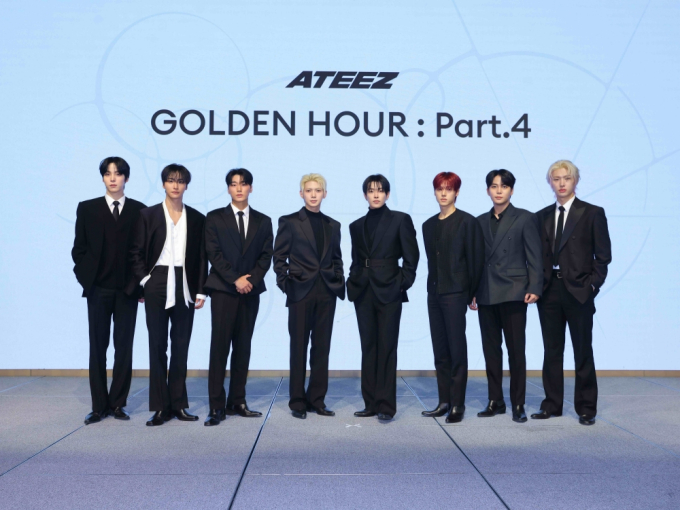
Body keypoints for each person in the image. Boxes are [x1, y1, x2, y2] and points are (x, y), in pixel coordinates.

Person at [532, 160, 611, 426]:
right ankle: (552, 404)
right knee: (552, 351)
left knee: (582, 350)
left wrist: (592, 286)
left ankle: (586, 408)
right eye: (556, 179)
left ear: (575, 180)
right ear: (550, 182)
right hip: (549, 291)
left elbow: (603, 256)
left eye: (566, 178)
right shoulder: (541, 216)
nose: (562, 183)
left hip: (579, 290)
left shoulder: (592, 213)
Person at [127, 164, 207, 426]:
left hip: (184, 282)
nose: (175, 185)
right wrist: (146, 281)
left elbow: (201, 257)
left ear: (186, 186)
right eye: (171, 180)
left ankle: (179, 405)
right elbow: (135, 252)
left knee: (181, 345)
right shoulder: (147, 214)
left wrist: (201, 290)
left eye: (180, 181)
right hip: (157, 281)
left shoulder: (197, 218)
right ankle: (161, 407)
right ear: (163, 184)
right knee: (157, 345)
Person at [72, 157, 146, 425]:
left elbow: (144, 252)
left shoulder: (139, 210)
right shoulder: (88, 208)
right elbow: (79, 249)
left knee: (124, 348)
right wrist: (87, 281)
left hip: (128, 291)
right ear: (102, 177)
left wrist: (139, 286)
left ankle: (118, 404)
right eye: (107, 173)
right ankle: (98, 406)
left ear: (127, 177)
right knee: (97, 348)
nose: (113, 178)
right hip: (98, 290)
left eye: (118, 173)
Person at [203, 168, 273, 426]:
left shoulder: (263, 220)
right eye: (234, 184)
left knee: (243, 347)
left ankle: (238, 401)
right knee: (219, 348)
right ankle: (216, 406)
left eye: (243, 184)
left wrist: (249, 280)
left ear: (251, 188)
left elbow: (266, 255)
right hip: (224, 290)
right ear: (228, 188)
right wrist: (236, 279)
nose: (239, 188)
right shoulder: (214, 217)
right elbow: (213, 253)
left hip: (250, 291)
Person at [471, 169, 542, 423]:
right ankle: (495, 401)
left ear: (511, 190)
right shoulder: (479, 221)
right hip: (486, 292)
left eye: (503, 186)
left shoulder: (525, 218)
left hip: (514, 291)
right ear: (487, 190)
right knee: (491, 351)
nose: (498, 190)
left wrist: (535, 286)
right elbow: (476, 260)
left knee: (516, 351)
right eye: (494, 186)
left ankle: (518, 403)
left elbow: (535, 255)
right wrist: (472, 292)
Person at [347, 174, 419, 420]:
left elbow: (411, 257)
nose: (375, 194)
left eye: (380, 190)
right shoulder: (356, 225)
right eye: (371, 190)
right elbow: (355, 260)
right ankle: (370, 404)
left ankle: (386, 406)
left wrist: (402, 283)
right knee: (368, 347)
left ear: (387, 194)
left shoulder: (400, 219)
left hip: (390, 289)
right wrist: (353, 281)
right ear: (365, 195)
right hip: (363, 291)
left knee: (387, 347)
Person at [273, 173, 345, 419]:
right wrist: (286, 285)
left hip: (326, 293)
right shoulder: (289, 221)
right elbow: (279, 257)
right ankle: (297, 401)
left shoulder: (333, 225)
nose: (313, 195)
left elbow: (336, 258)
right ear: (301, 193)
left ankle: (317, 400)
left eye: (318, 190)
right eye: (309, 190)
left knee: (322, 349)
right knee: (298, 348)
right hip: (300, 293)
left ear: (325, 193)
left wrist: (337, 279)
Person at [421, 172, 484, 423]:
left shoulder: (467, 222)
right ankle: (444, 401)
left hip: (456, 293)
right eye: (440, 189)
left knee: (457, 350)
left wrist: (473, 292)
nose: (444, 193)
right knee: (440, 351)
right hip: (434, 293)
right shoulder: (428, 225)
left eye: (449, 189)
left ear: (457, 192)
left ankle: (458, 404)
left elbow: (475, 260)